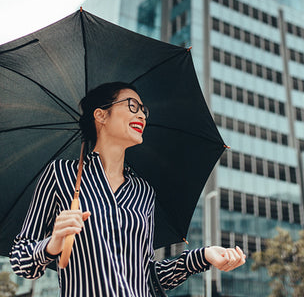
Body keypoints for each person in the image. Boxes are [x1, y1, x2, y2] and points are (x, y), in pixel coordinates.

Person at [10, 82, 246, 296]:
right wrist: (53, 243)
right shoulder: (61, 174)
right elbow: (22, 261)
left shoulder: (144, 192)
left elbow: (147, 276)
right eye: (133, 105)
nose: (142, 114)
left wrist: (203, 256)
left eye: (144, 109)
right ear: (101, 115)